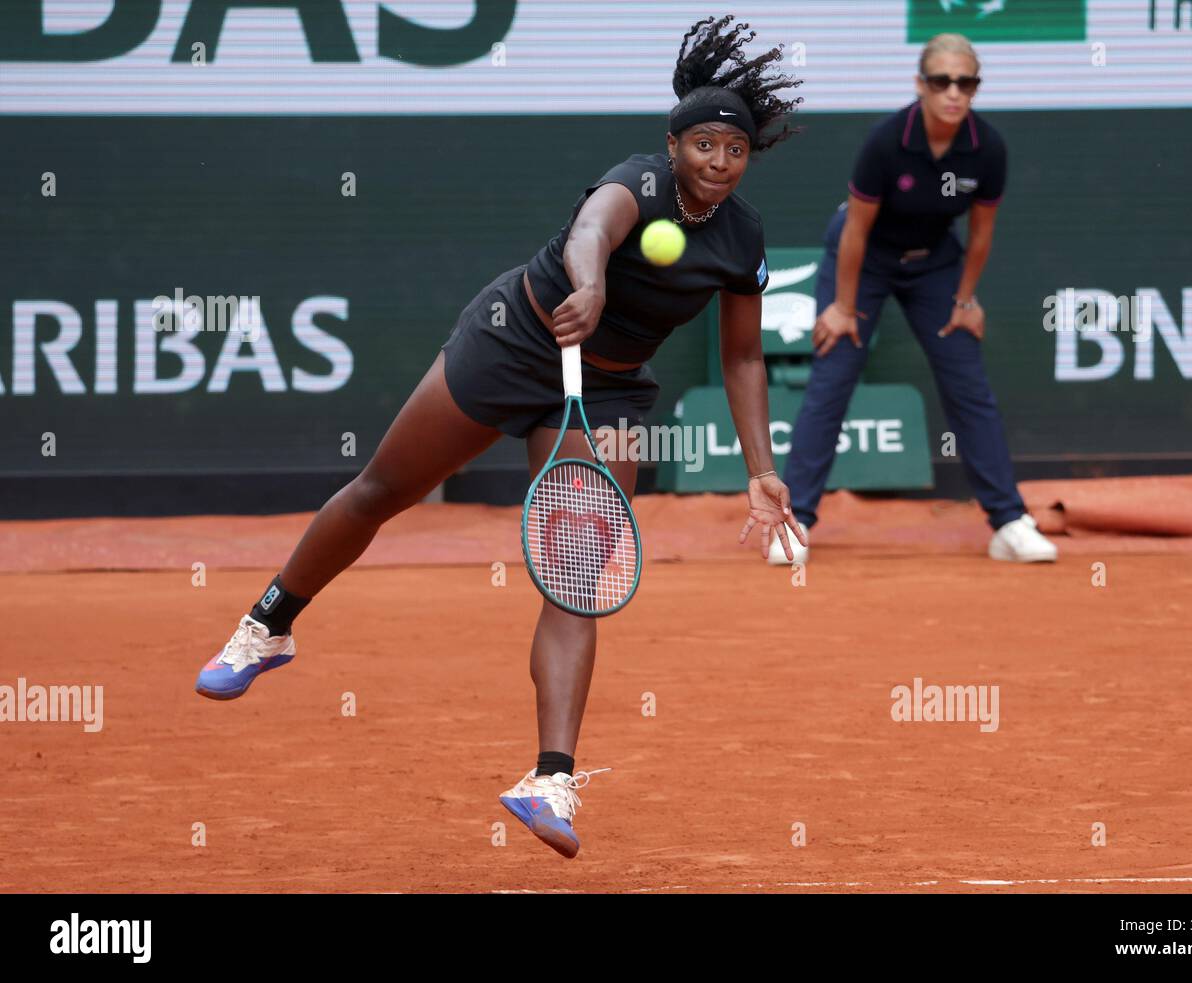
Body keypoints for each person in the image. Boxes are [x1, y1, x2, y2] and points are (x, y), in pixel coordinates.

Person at [193, 15, 806, 858]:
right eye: (704, 145)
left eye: (735, 151)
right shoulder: (636, 183)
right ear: (674, 145)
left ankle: (549, 777)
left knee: (575, 574)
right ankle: (269, 623)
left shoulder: (743, 237)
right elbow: (594, 229)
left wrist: (761, 469)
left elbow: (741, 356)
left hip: (608, 386)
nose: (719, 164)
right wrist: (587, 287)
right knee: (383, 488)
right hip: (515, 339)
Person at [772, 32, 1056, 566]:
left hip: (934, 264)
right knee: (832, 380)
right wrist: (843, 307)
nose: (954, 91)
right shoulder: (887, 141)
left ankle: (1008, 522)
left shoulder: (987, 148)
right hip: (864, 259)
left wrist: (966, 299)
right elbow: (855, 230)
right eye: (942, 81)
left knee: (968, 383)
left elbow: (981, 232)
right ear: (921, 85)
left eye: (966, 82)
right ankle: (795, 523)